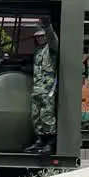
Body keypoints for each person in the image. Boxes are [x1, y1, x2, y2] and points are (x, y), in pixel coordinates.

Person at [26, 24, 58, 154]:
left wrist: (48, 26)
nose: (39, 39)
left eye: (42, 36)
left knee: (47, 117)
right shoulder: (38, 51)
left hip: (47, 89)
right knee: (36, 116)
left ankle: (50, 143)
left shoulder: (50, 49)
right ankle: (40, 141)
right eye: (37, 37)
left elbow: (53, 39)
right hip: (37, 89)